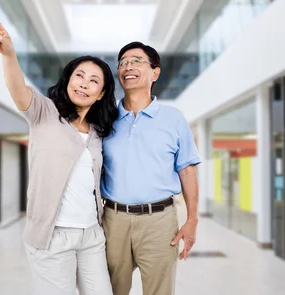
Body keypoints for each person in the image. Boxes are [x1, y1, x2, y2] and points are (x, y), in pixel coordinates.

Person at [0, 15, 117, 295]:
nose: (83, 84)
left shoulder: (98, 130)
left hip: (92, 234)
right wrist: (9, 55)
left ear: (100, 93)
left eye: (93, 81)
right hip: (52, 235)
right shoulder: (44, 112)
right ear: (68, 79)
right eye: (79, 75)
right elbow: (18, 90)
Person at [101, 41, 202, 295]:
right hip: (113, 220)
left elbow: (187, 171)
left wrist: (191, 220)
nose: (127, 67)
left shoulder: (173, 118)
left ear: (155, 72)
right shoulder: (105, 118)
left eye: (136, 61)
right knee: (110, 290)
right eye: (122, 62)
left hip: (160, 221)